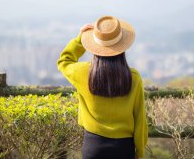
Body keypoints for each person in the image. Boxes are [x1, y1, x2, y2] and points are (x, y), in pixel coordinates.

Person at [57, 15, 148, 159]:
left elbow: (64, 61)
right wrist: (140, 154)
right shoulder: (134, 77)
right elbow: (140, 119)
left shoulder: (82, 73)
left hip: (93, 146)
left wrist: (80, 39)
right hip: (124, 148)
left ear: (95, 46)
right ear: (122, 47)